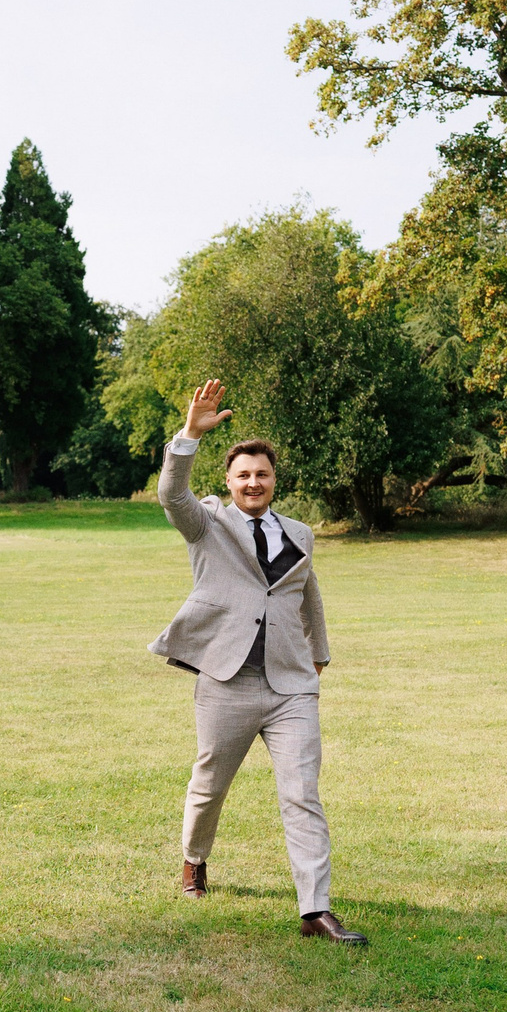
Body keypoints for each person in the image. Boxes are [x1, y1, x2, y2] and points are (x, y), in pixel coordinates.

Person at [150, 379, 365, 946]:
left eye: (262, 474)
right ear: (229, 481)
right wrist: (189, 435)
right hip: (227, 681)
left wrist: (318, 653)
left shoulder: (300, 534)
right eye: (243, 474)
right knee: (210, 784)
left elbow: (307, 595)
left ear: (274, 480)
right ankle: (194, 860)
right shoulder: (207, 523)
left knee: (302, 793)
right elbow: (171, 494)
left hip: (291, 685)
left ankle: (315, 910)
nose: (253, 482)